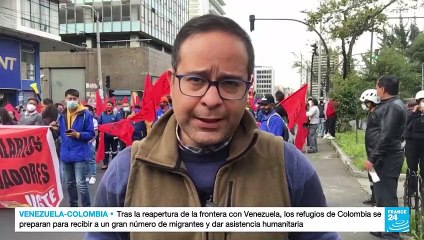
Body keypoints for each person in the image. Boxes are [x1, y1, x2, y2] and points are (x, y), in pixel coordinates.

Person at [85, 14, 339, 240]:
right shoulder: (127, 173)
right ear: (172, 84)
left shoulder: (288, 167)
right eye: (196, 80)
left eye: (229, 83)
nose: (211, 99)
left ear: (247, 89)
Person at [364, 76, 407, 239]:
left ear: (383, 89)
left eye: (377, 87)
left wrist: (372, 157)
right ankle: (383, 228)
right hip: (383, 156)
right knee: (381, 195)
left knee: (388, 195)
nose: (376, 90)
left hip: (387, 157)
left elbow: (386, 135)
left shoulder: (394, 107)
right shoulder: (389, 105)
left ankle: (393, 234)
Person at [58, 89, 95, 207]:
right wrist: (54, 128)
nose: (72, 101)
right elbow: (59, 133)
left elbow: (91, 134)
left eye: (74, 99)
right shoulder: (62, 115)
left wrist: (78, 135)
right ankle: (73, 207)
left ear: (78, 99)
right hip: (65, 154)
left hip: (80, 154)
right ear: (65, 99)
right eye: (70, 99)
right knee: (69, 183)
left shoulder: (85, 115)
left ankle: (86, 208)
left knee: (81, 184)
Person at [359, 89, 381, 206]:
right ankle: (374, 197)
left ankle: (377, 198)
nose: (365, 105)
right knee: (372, 175)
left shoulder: (378, 114)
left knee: (376, 176)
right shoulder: (372, 113)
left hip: (376, 150)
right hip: (371, 149)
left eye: (367, 102)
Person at [405, 90, 424, 198]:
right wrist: (413, 113)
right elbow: (405, 124)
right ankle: (411, 190)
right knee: (411, 167)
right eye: (422, 101)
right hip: (412, 144)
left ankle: (422, 189)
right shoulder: (411, 112)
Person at [98, 101, 121, 170]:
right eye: (107, 105)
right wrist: (100, 131)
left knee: (114, 150)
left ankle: (114, 164)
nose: (108, 106)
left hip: (114, 135)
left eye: (110, 105)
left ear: (112, 106)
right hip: (105, 135)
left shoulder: (116, 114)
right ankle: (105, 164)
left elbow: (119, 124)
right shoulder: (102, 114)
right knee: (106, 150)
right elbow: (100, 123)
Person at [84, 105, 99, 185]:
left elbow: (96, 133)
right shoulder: (81, 120)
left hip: (90, 143)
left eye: (86, 110)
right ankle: (86, 175)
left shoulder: (94, 120)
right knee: (85, 160)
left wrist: (91, 141)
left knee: (91, 160)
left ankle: (93, 176)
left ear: (90, 111)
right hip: (83, 143)